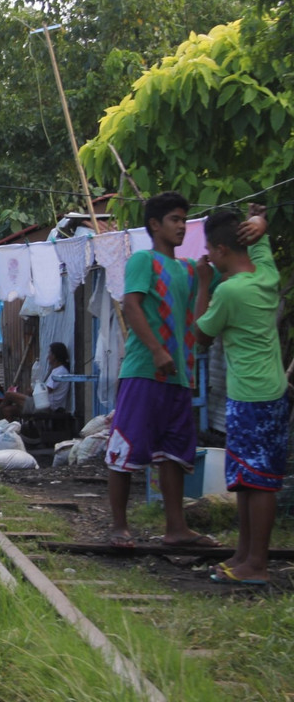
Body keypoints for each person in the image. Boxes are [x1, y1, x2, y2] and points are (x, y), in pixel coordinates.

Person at [105, 191, 219, 549]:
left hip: (180, 375)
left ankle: (176, 528)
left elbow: (198, 322)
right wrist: (155, 350)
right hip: (143, 370)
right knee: (126, 448)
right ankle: (120, 527)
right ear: (155, 225)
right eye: (175, 219)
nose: (182, 226)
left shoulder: (188, 269)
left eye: (185, 219)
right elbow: (131, 304)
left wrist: (203, 282)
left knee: (175, 453)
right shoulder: (144, 261)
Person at [195, 205, 287, 584]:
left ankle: (257, 564)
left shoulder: (228, 291)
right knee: (249, 478)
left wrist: (203, 284)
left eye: (209, 251)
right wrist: (260, 220)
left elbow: (200, 337)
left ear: (219, 250)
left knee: (258, 481)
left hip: (250, 395)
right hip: (269, 391)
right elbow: (260, 239)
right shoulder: (266, 276)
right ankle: (246, 555)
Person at [43, 342, 71, 411]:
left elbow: (47, 390)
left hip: (49, 406)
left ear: (54, 356)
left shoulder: (60, 371)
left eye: (49, 353)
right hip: (43, 403)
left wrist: (33, 391)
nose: (47, 357)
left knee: (11, 395)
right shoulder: (56, 370)